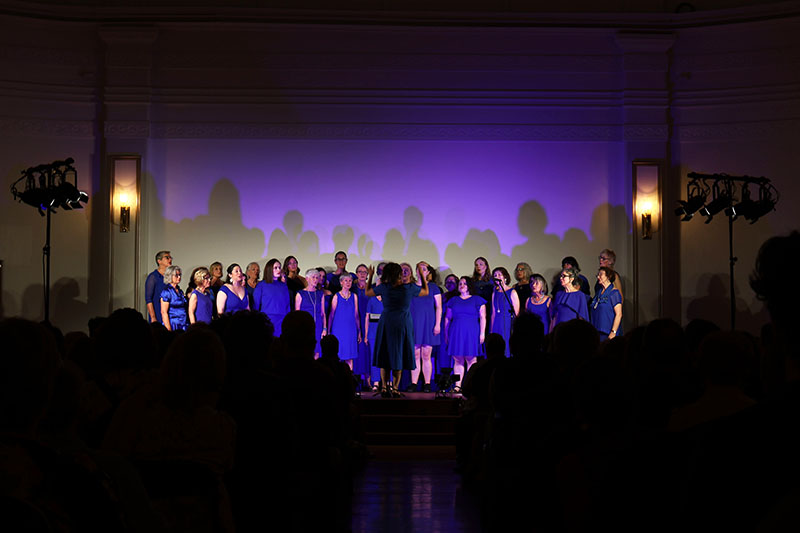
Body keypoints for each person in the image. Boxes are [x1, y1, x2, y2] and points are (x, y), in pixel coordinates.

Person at [366, 262, 429, 397]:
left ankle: (383, 387)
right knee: (398, 354)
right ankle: (394, 388)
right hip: (402, 323)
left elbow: (367, 292)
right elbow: (426, 291)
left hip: (387, 322)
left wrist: (370, 276)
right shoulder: (409, 288)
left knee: (385, 354)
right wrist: (423, 276)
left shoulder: (384, 287)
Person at [444, 276, 487, 392]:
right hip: (456, 332)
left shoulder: (477, 299)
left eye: (464, 283)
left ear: (469, 286)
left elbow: (483, 317)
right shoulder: (453, 300)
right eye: (460, 283)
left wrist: (482, 333)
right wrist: (446, 334)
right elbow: (447, 318)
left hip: (471, 332)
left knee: (471, 360)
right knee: (457, 360)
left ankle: (471, 386)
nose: (461, 285)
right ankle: (457, 386)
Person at [408, 261, 442, 393]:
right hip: (414, 323)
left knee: (426, 354)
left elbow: (439, 307)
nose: (421, 271)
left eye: (424, 269)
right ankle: (414, 383)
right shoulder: (410, 287)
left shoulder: (433, 288)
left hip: (428, 323)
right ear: (416, 272)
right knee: (415, 354)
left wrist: (438, 324)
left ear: (428, 272)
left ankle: (427, 383)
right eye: (419, 269)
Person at [328, 274, 361, 370]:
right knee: (338, 355)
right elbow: (331, 314)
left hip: (351, 330)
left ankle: (349, 378)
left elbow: (356, 315)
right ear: (341, 282)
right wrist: (329, 330)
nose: (348, 283)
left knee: (350, 357)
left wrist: (359, 331)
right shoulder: (336, 296)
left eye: (350, 281)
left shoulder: (354, 296)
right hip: (338, 329)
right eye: (345, 280)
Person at [253, 258, 291, 337]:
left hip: (282, 320)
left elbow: (287, 305)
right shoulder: (261, 285)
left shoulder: (283, 286)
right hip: (267, 320)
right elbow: (256, 305)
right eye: (275, 268)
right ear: (269, 269)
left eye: (279, 267)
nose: (278, 270)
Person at [296, 268, 326, 358]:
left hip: (318, 326)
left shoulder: (320, 294)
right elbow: (297, 315)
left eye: (317, 278)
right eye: (313, 277)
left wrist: (324, 328)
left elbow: (323, 313)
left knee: (317, 351)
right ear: (307, 278)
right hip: (305, 327)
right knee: (305, 351)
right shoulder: (300, 294)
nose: (315, 280)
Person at [490, 267, 519, 357]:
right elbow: (493, 313)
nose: (497, 277)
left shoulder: (512, 292)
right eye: (495, 275)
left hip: (507, 323)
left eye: (499, 275)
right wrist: (491, 329)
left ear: (505, 277)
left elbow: (516, 313)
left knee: (506, 345)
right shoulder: (494, 293)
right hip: (497, 323)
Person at [590, 266, 623, 340]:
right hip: (596, 332)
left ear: (608, 276)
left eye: (601, 274)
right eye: (597, 275)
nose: (598, 277)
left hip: (608, 333)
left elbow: (619, 314)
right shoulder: (598, 293)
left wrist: (613, 332)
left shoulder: (614, 293)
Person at [145, 250, 172, 325]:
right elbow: (148, 299)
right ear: (159, 261)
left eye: (170, 258)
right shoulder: (153, 277)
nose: (170, 260)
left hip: (170, 313)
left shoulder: (170, 277)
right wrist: (153, 317)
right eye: (167, 257)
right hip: (158, 313)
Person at [160, 265, 188, 331]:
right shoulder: (166, 291)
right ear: (170, 276)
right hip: (173, 324)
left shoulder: (180, 291)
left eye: (180, 275)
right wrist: (169, 330)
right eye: (176, 275)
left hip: (183, 323)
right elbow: (164, 312)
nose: (179, 277)